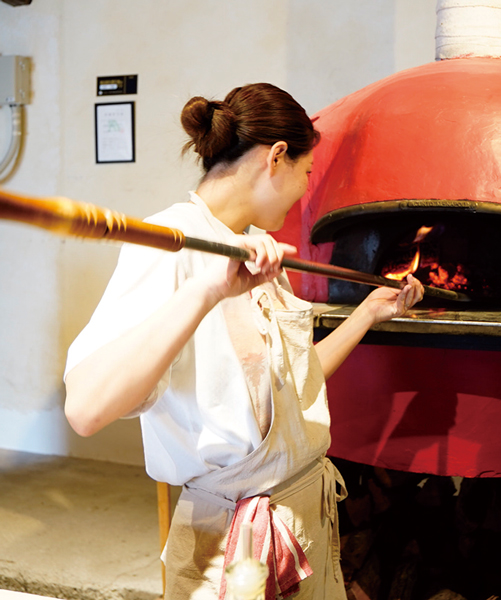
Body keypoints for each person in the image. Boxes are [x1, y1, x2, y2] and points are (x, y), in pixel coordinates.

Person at [63, 83, 424, 600]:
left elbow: (293, 390)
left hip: (302, 522)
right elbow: (86, 409)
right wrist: (208, 289)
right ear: (276, 157)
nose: (305, 187)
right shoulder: (171, 243)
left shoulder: (256, 255)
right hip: (232, 550)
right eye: (306, 172)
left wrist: (369, 312)